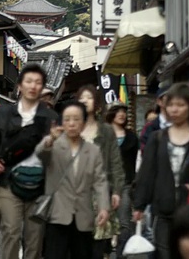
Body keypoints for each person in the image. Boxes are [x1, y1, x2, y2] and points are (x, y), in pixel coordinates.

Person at [0, 63, 58, 259]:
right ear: (20, 85)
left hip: (39, 184)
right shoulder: (3, 113)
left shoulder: (51, 117)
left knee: (34, 237)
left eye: (38, 83)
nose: (33, 86)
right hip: (9, 181)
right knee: (11, 231)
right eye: (29, 81)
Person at [36, 101, 110, 259]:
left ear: (83, 124)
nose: (72, 124)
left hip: (83, 216)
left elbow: (100, 181)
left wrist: (104, 207)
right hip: (57, 215)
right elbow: (40, 154)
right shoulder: (54, 146)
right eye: (67, 119)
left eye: (76, 119)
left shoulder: (93, 150)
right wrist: (50, 139)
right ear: (62, 123)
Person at [133, 83, 189, 259]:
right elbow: (147, 173)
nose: (175, 110)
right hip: (162, 209)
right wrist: (139, 204)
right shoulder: (158, 138)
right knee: (164, 253)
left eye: (180, 105)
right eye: (171, 105)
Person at [76, 85, 124, 259]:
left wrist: (117, 191)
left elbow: (115, 162)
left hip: (99, 194)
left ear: (96, 103)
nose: (85, 101)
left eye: (89, 97)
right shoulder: (71, 128)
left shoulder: (106, 130)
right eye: (81, 98)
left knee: (98, 244)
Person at [105, 101, 139, 258]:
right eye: (117, 111)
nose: (121, 114)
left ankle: (121, 255)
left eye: (124, 111)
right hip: (103, 185)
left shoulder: (132, 137)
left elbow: (138, 161)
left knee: (124, 223)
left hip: (125, 184)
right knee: (102, 222)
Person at [141, 86, 171, 151]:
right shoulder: (150, 127)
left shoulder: (183, 124)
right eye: (168, 98)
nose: (171, 101)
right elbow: (145, 152)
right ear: (159, 101)